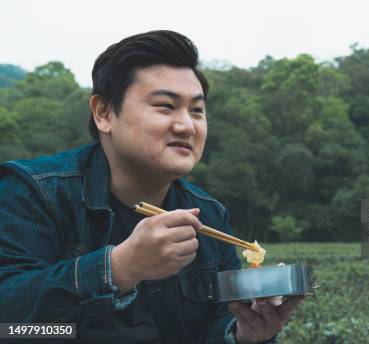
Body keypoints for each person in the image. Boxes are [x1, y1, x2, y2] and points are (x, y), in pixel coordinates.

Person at [0, 30, 302, 343]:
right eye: (166, 106)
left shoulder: (208, 215)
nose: (186, 125)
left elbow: (215, 327)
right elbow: (8, 326)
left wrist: (245, 335)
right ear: (103, 113)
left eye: (197, 110)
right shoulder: (33, 193)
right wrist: (119, 268)